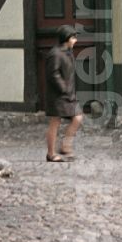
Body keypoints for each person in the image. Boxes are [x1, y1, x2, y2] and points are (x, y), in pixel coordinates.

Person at [44, 25, 83, 162]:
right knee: (55, 122)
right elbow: (53, 74)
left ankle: (65, 147)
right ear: (66, 39)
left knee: (77, 117)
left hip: (67, 94)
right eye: (73, 38)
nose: (75, 41)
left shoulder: (67, 52)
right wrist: (63, 88)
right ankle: (51, 153)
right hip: (58, 95)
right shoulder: (55, 54)